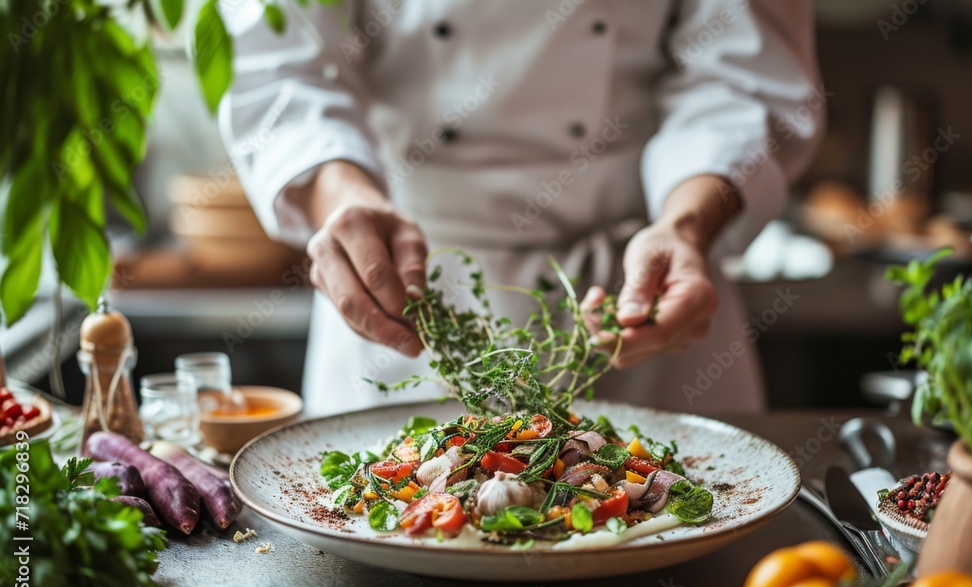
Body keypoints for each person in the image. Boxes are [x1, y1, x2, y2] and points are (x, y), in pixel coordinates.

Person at [220, 0, 823, 416]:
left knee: (674, 553)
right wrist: (343, 196)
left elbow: (742, 77)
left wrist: (685, 227)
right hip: (406, 286)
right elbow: (280, 71)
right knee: (384, 566)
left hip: (640, 297)